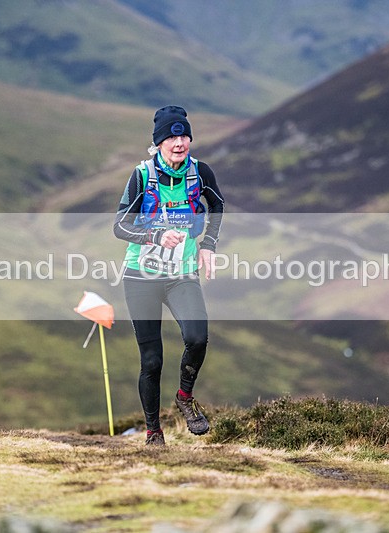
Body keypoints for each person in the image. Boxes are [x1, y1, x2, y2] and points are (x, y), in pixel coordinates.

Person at [113, 105, 225, 446]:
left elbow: (217, 205)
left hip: (182, 274)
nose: (179, 142)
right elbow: (119, 226)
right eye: (171, 137)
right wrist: (155, 235)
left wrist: (208, 245)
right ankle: (153, 432)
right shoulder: (143, 176)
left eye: (184, 135)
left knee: (196, 336)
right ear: (159, 142)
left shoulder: (200, 174)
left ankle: (184, 397)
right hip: (141, 276)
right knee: (152, 359)